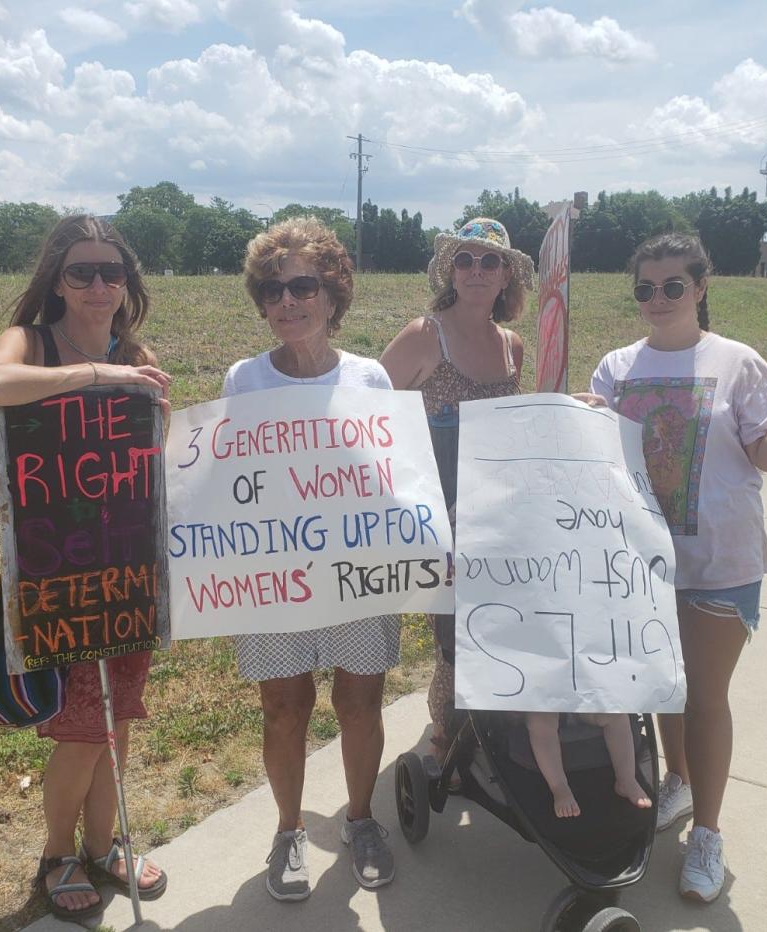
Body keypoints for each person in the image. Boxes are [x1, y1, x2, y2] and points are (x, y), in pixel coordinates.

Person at [586, 232, 767, 902]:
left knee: (705, 696)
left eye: (672, 286)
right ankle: (680, 782)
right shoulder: (615, 367)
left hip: (722, 559)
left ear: (700, 288)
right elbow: (599, 453)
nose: (657, 300)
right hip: (642, 563)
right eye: (644, 288)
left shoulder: (738, 363)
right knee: (667, 687)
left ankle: (709, 834)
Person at [0, 214, 171, 922]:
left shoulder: (137, 350)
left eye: (110, 272)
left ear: (127, 283)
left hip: (126, 572)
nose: (97, 284)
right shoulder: (33, 342)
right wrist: (95, 374)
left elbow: (150, 463)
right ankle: (59, 856)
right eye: (81, 271)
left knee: (115, 725)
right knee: (83, 727)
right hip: (59, 570)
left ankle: (104, 845)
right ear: (56, 279)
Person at [224, 217, 399, 902]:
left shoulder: (371, 377)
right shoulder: (244, 380)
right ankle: (289, 830)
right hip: (275, 577)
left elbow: (392, 479)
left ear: (332, 294)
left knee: (360, 702)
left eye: (303, 286)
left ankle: (359, 820)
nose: (288, 301)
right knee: (283, 707)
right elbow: (226, 485)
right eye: (273, 290)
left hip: (356, 572)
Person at [379, 218, 531, 751]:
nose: (476, 270)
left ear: (507, 274)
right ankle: (447, 734)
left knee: (495, 623)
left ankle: (491, 727)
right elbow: (367, 417)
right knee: (454, 635)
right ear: (450, 270)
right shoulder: (426, 335)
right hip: (438, 518)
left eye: (490, 261)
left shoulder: (512, 344)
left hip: (497, 515)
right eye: (465, 260)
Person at [526, 712, 652, 817]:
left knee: (615, 713)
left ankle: (627, 779)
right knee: (539, 722)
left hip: (586, 697)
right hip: (545, 701)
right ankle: (559, 787)